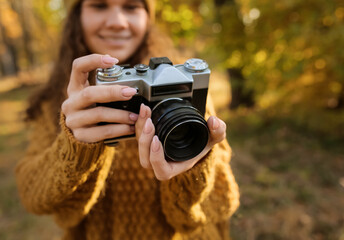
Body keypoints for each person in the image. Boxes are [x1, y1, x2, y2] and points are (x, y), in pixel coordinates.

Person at [15, 0, 240, 239]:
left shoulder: (183, 82)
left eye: (131, 6)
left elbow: (221, 202)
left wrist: (192, 165)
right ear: (77, 16)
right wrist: (76, 148)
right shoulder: (57, 100)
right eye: (100, 5)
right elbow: (33, 196)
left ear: (148, 17)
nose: (117, 22)